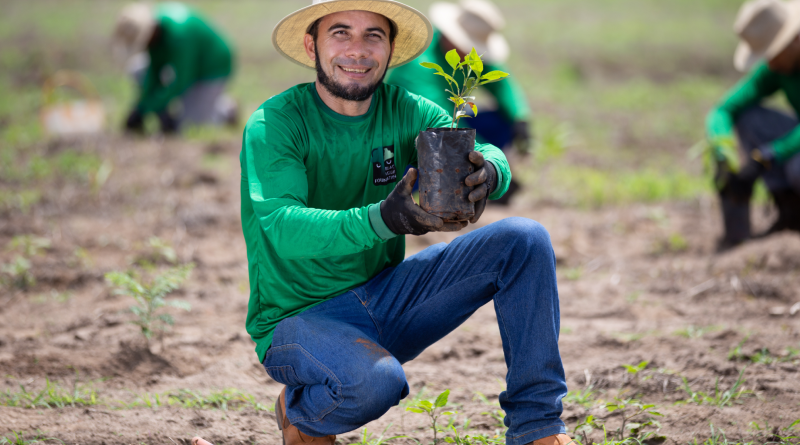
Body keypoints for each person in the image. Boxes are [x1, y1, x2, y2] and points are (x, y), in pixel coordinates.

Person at [199, 1, 573, 444]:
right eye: (340, 33)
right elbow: (284, 228)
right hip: (297, 320)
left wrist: (490, 171)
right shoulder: (276, 122)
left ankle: (538, 429)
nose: (357, 50)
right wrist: (383, 218)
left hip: (386, 297)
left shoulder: (406, 110)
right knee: (376, 382)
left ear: (391, 50)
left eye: (372, 36)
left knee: (524, 239)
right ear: (311, 45)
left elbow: (475, 144)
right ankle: (301, 411)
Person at [386, 0, 532, 204]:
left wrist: (520, 116)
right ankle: (455, 181)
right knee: (399, 174)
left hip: (445, 129)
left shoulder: (469, 57)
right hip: (404, 141)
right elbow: (444, 125)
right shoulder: (421, 62)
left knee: (501, 122)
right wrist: (488, 170)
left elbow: (501, 83)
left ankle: (465, 178)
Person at [708, 0, 800, 250]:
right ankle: (792, 213)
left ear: (794, 39)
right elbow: (723, 110)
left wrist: (769, 156)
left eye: (771, 52)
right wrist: (723, 149)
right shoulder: (779, 69)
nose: (768, 62)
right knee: (749, 117)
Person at [112, 2, 237, 134]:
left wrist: (153, 105)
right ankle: (195, 104)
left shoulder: (180, 34)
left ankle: (225, 110)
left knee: (189, 124)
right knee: (137, 70)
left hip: (211, 69)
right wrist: (142, 107)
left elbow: (181, 80)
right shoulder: (156, 35)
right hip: (185, 66)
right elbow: (154, 72)